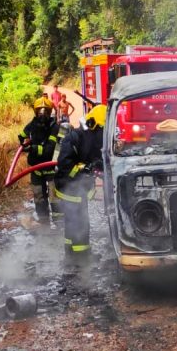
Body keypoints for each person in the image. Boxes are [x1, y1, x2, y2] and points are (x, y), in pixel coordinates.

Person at [54, 104, 106, 261]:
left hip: (76, 188)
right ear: (92, 125)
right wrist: (85, 169)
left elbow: (94, 158)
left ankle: (70, 253)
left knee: (72, 223)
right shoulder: (73, 138)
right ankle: (82, 256)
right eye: (102, 130)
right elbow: (64, 166)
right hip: (69, 189)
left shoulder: (90, 138)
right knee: (80, 222)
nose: (102, 135)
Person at [18, 96, 59, 224]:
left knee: (55, 197)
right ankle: (44, 223)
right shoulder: (31, 125)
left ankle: (59, 223)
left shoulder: (54, 127)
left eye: (46, 111)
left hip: (51, 167)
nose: (43, 114)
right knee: (39, 197)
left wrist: (33, 148)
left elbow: (50, 150)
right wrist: (22, 141)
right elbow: (22, 136)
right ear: (36, 112)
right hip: (36, 168)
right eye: (40, 111)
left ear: (50, 112)